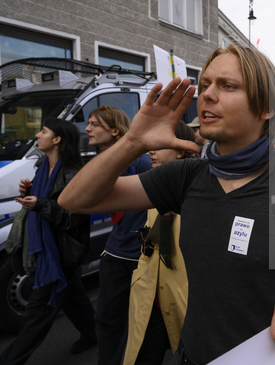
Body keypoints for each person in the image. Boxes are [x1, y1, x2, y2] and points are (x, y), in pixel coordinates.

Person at [58, 44, 275, 365]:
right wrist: (133, 141)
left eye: (228, 86)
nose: (207, 94)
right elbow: (75, 199)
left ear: (265, 108)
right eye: (205, 84)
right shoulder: (187, 175)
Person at [0, 119, 96, 365]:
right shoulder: (44, 166)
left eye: (43, 131)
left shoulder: (73, 172)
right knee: (74, 298)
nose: (37, 134)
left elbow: (75, 217)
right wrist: (28, 193)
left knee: (37, 314)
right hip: (53, 248)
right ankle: (92, 333)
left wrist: (39, 204)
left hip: (61, 253)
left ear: (57, 139)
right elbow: (47, 200)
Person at [123, 122, 196, 365]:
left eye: (159, 145)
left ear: (180, 151)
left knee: (188, 353)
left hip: (182, 294)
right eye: (150, 146)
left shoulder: (199, 191)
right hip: (151, 292)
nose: (151, 151)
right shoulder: (153, 185)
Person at [85, 106, 152, 365]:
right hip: (114, 251)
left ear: (114, 131)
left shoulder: (142, 162)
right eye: (88, 123)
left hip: (141, 255)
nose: (87, 129)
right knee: (106, 317)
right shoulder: (100, 163)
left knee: (142, 321)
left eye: (94, 124)